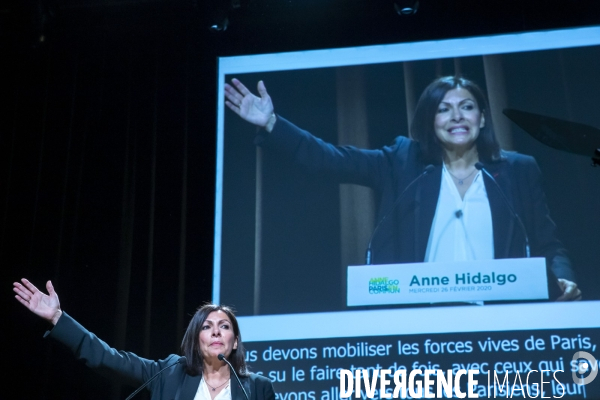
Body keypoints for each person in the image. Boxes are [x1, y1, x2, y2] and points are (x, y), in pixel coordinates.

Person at [224, 75, 581, 301]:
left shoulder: (517, 170)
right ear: (431, 121)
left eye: (467, 107)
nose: (457, 116)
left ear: (482, 118)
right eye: (444, 109)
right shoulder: (402, 161)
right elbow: (329, 158)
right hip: (418, 318)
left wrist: (563, 279)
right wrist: (270, 122)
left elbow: (547, 243)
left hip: (501, 316)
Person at [13, 278, 276, 400]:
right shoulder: (170, 372)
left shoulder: (257, 388)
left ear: (235, 341)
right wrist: (58, 317)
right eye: (207, 326)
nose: (216, 331)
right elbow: (108, 358)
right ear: (197, 340)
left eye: (224, 326)